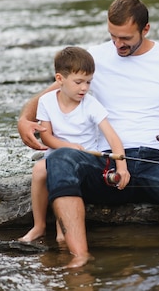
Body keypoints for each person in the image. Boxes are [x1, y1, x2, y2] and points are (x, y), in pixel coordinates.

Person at [17, 0, 159, 270]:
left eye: (124, 38)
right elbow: (53, 91)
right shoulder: (95, 57)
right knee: (60, 159)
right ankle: (80, 258)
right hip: (105, 161)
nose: (117, 44)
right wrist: (24, 120)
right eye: (112, 36)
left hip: (158, 160)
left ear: (145, 30)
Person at [19, 46, 129, 243]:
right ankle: (39, 226)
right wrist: (67, 146)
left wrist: (121, 166)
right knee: (39, 171)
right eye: (78, 82)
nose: (84, 88)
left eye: (88, 82)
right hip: (57, 154)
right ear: (60, 79)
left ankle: (64, 231)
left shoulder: (91, 104)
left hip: (85, 159)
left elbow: (113, 138)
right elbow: (47, 138)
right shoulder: (46, 101)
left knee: (65, 173)